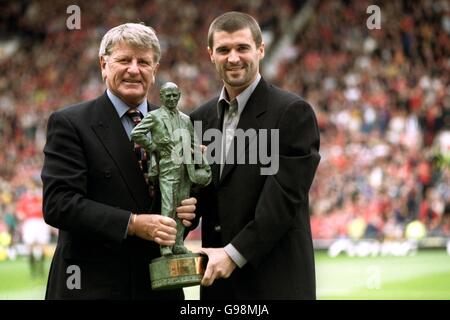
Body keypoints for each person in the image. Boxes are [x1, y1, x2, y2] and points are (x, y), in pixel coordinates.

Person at [41, 23, 197, 299]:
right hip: (92, 286)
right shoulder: (70, 123)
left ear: (155, 69)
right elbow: (58, 204)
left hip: (158, 287)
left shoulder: (177, 124)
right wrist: (133, 223)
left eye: (143, 62)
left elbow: (178, 197)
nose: (134, 69)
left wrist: (186, 212)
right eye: (124, 60)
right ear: (104, 64)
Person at [190, 12, 321, 299]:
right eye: (223, 50)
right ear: (211, 54)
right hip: (218, 286)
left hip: (275, 283)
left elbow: (282, 202)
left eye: (242, 48)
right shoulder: (197, 119)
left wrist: (233, 255)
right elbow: (195, 198)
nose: (233, 58)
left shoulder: (292, 113)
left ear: (260, 50)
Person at [131, 82, 211, 257]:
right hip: (166, 169)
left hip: (186, 169)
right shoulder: (155, 116)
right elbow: (136, 134)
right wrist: (154, 147)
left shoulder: (185, 119)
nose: (172, 98)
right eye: (168, 95)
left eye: (175, 95)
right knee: (167, 207)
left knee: (181, 208)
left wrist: (201, 159)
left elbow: (194, 144)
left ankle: (178, 243)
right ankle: (165, 245)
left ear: (179, 96)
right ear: (161, 96)